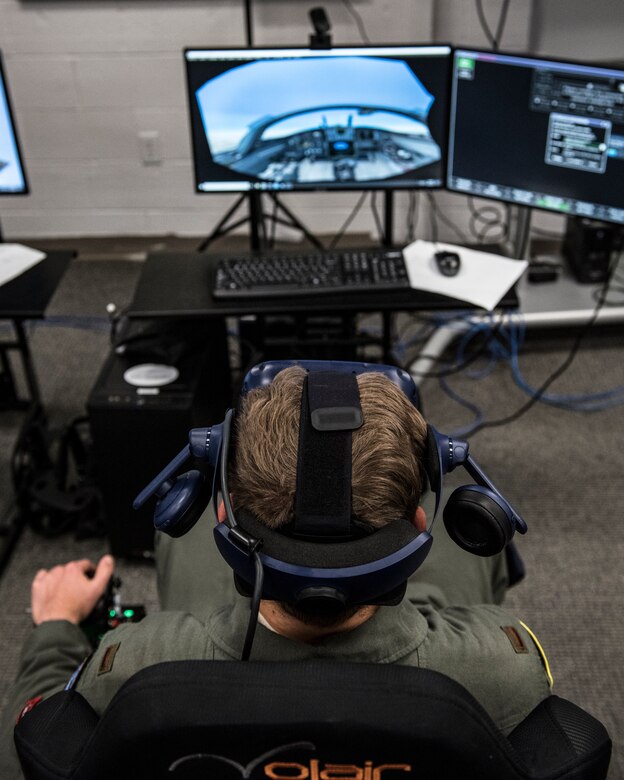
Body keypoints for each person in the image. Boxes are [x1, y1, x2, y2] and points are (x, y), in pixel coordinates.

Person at [0, 366, 553, 778]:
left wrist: (54, 627)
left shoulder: (131, 668)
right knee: (468, 560)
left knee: (181, 549)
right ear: (413, 525)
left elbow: (31, 745)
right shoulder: (508, 668)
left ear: (223, 513)